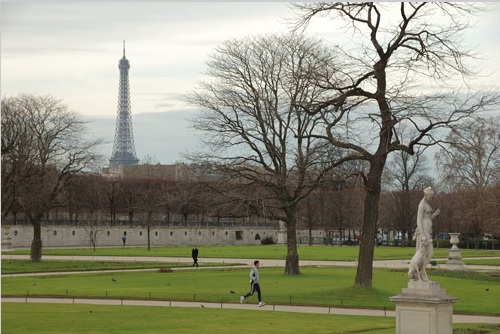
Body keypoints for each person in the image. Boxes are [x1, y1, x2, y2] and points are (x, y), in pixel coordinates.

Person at [408, 186, 440, 282]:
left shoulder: (427, 204)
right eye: (431, 195)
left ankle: (421, 274)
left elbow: (428, 219)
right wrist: (422, 235)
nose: (432, 197)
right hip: (424, 232)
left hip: (428, 231)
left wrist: (434, 214)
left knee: (429, 255)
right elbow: (419, 220)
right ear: (426, 195)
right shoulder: (421, 204)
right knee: (424, 255)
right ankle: (420, 275)